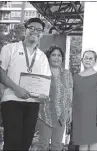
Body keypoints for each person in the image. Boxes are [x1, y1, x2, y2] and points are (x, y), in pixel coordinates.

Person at [0, 18, 51, 150]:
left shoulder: (42, 56)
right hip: (11, 100)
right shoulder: (10, 48)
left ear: (42, 34)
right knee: (12, 142)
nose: (35, 31)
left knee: (26, 142)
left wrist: (44, 96)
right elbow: (1, 72)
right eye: (32, 28)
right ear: (26, 29)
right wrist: (16, 88)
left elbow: (46, 81)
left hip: (33, 103)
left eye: (39, 30)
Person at [36, 46, 73, 151]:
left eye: (59, 55)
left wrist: (70, 110)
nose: (57, 58)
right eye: (53, 55)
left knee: (57, 145)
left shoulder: (67, 73)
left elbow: (70, 93)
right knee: (43, 144)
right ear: (48, 57)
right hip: (45, 113)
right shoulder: (43, 72)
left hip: (62, 114)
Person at [72, 50, 97, 151]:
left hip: (94, 114)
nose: (88, 60)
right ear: (82, 59)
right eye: (86, 57)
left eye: (91, 58)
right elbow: (73, 97)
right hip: (79, 114)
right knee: (82, 142)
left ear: (95, 61)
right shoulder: (76, 77)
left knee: (93, 141)